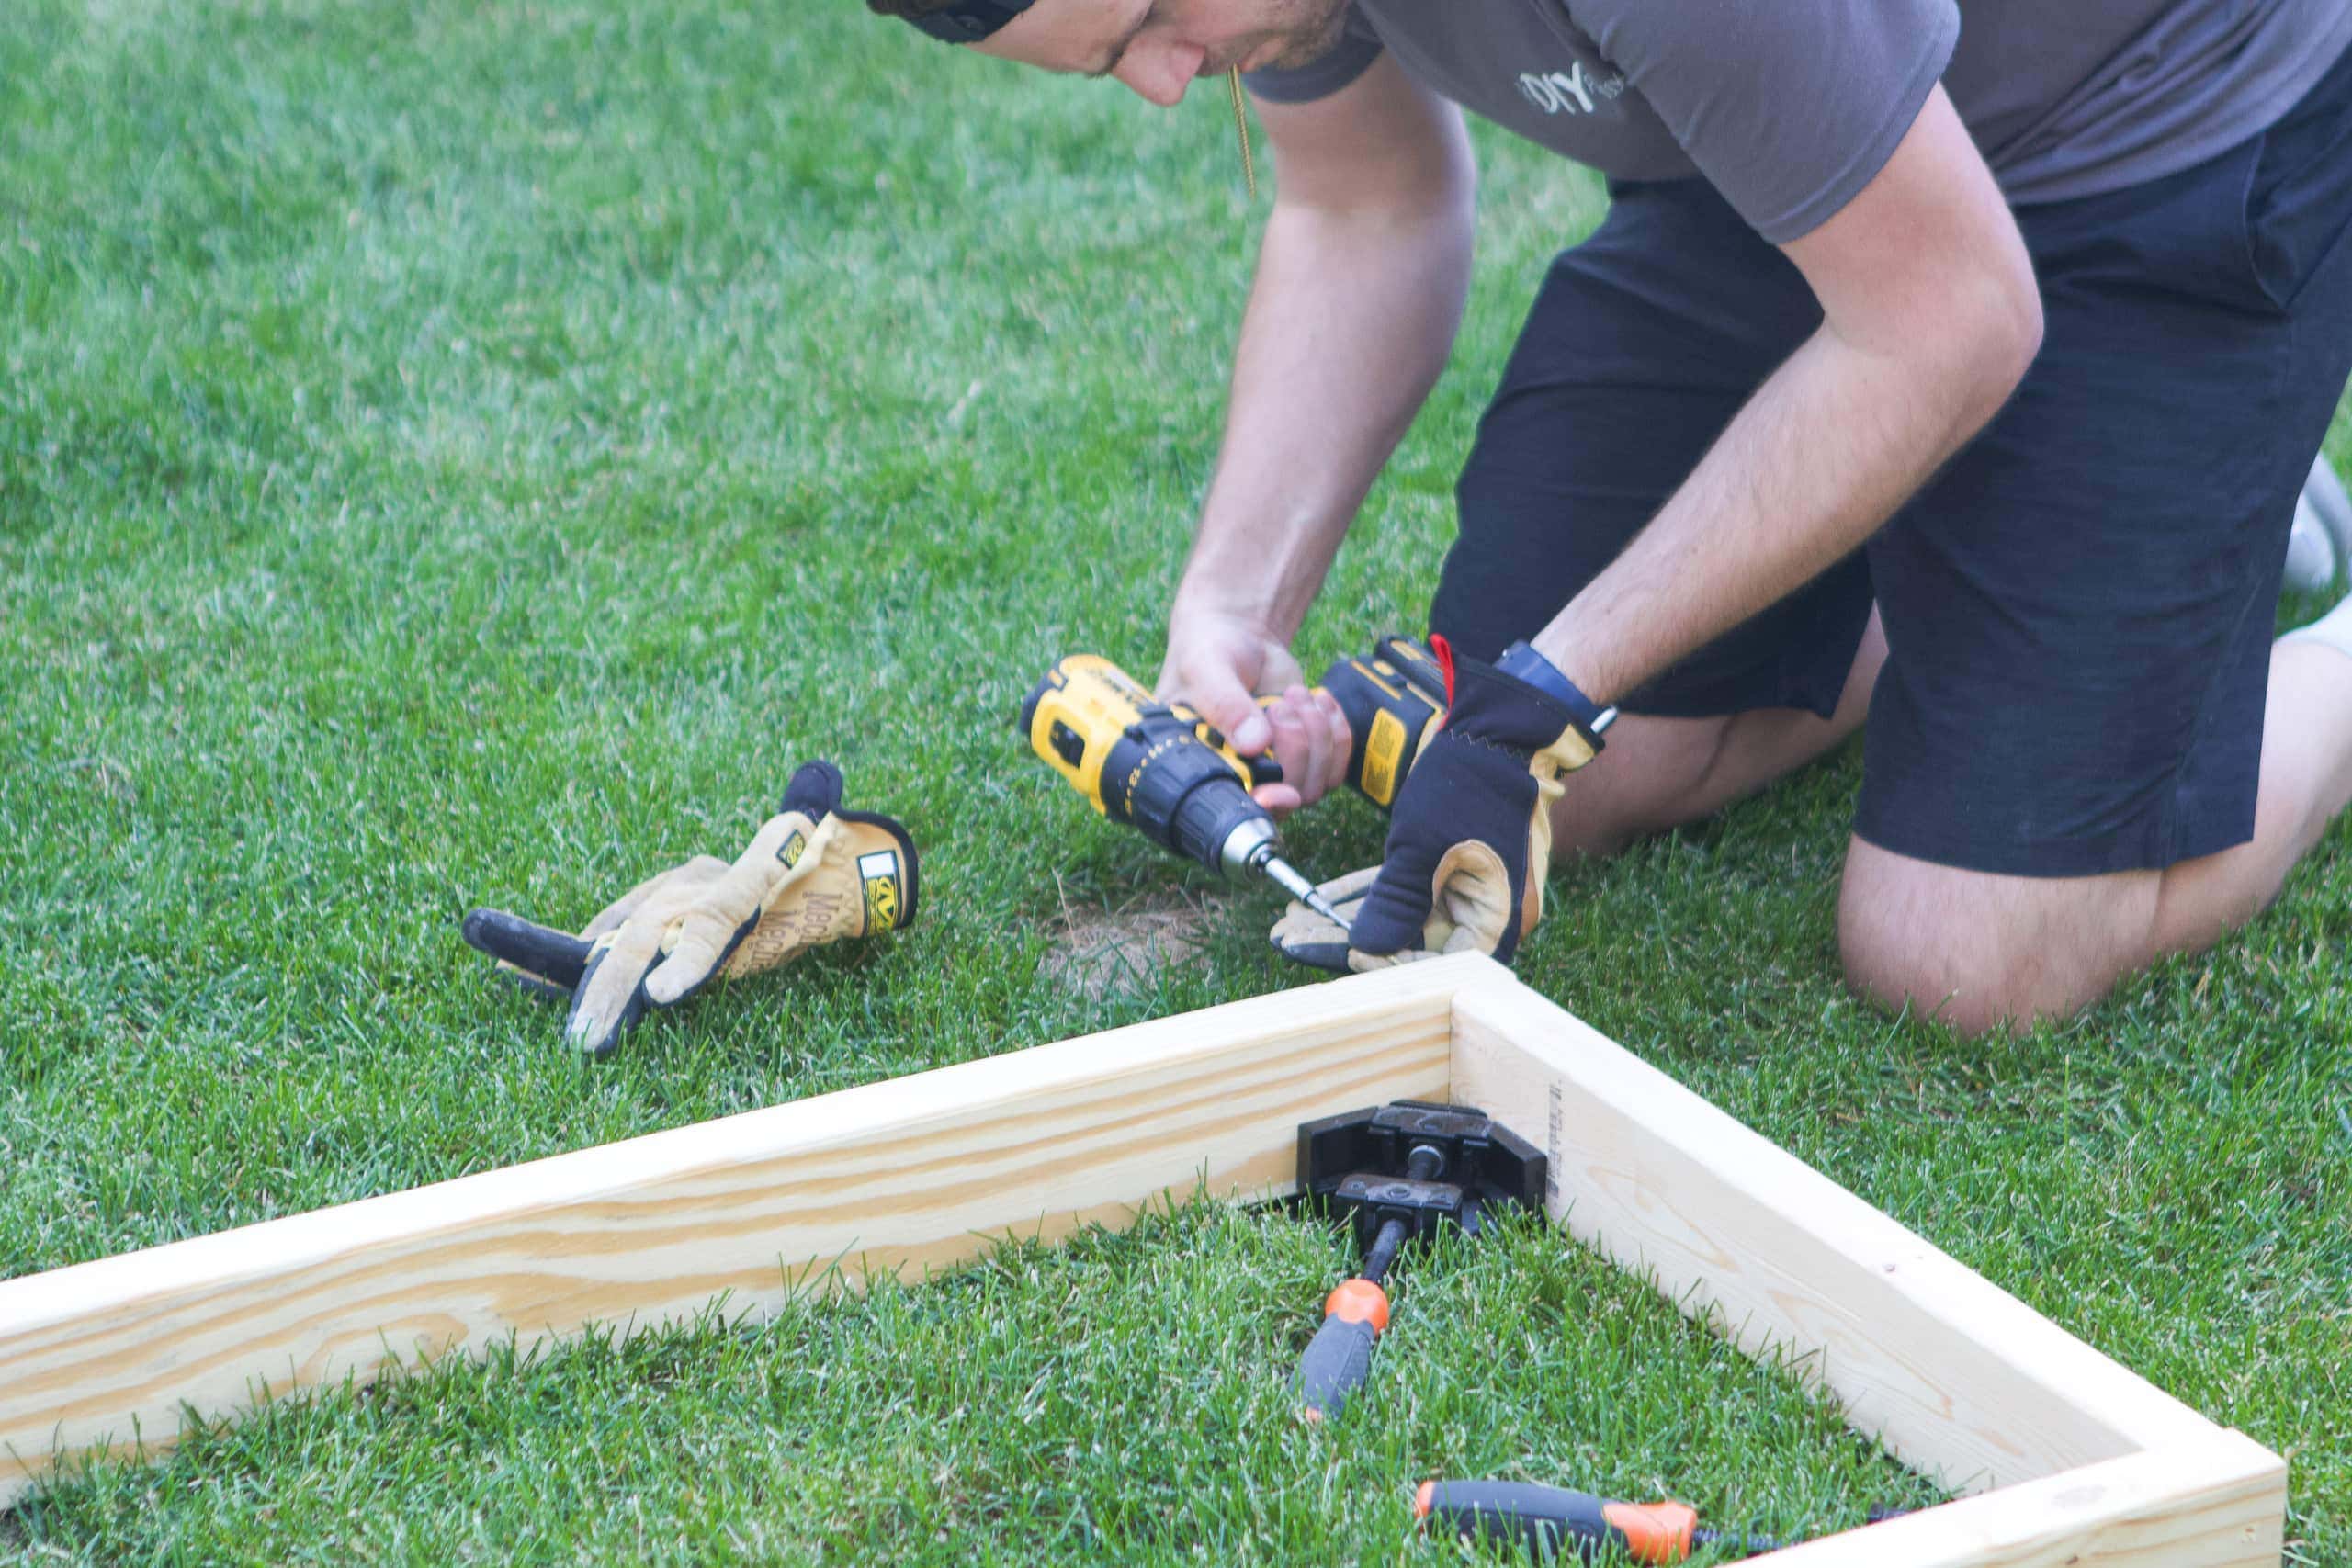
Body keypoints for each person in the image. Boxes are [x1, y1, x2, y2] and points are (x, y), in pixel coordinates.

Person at [876, 0, 2352, 1032]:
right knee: (1587, 786)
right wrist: (1233, 610)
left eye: (1144, 20)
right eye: (1109, 64)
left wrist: (1550, 687)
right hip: (1788, 179)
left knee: (1964, 959)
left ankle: (2248, 580)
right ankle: (2041, 522)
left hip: (2150, 138)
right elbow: (1362, 205)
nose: (1159, 77)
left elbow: (1951, 312)